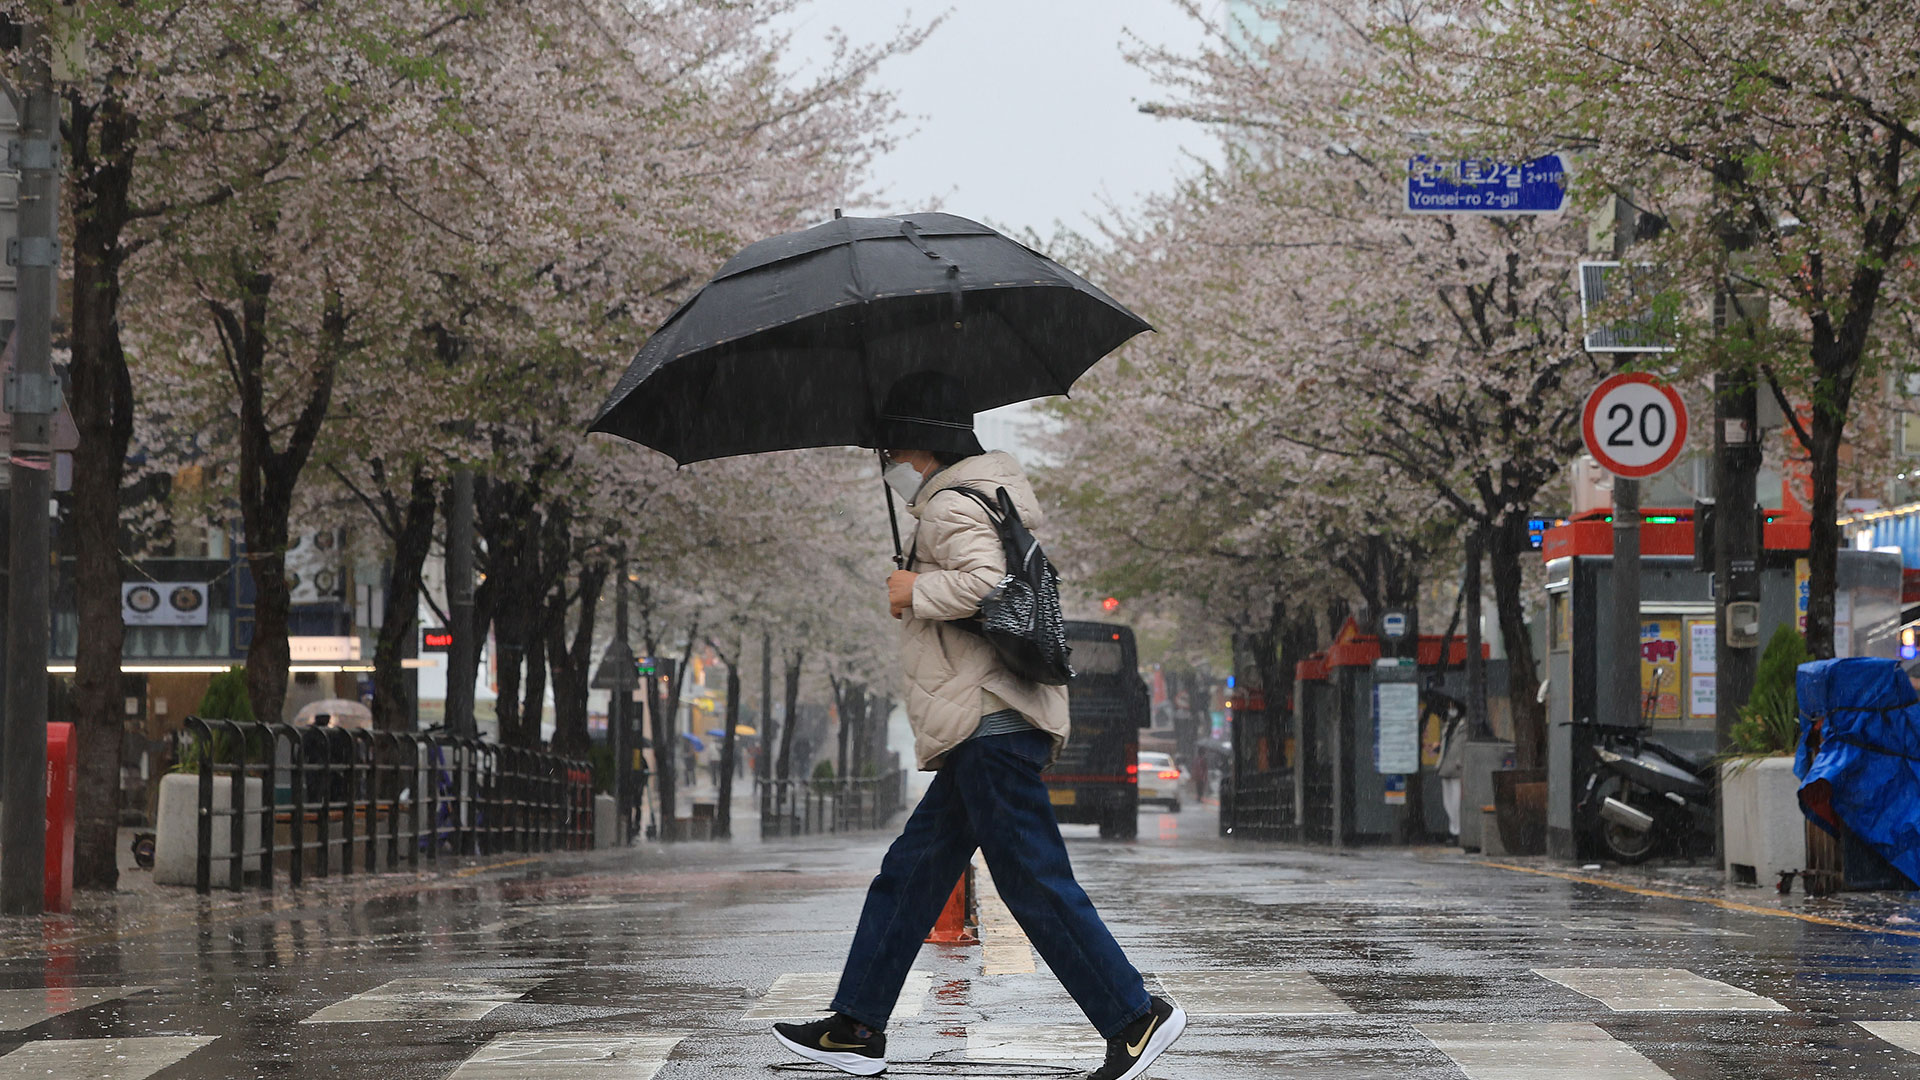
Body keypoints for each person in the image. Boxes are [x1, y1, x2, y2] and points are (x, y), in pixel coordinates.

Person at [773, 372, 1185, 1080]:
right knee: (910, 874)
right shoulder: (976, 496)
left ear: (921, 446)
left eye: (891, 448)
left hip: (990, 722)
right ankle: (857, 1024)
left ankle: (1135, 1015)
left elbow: (989, 586)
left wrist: (915, 589)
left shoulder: (949, 507)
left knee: (1029, 880)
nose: (888, 464)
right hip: (984, 722)